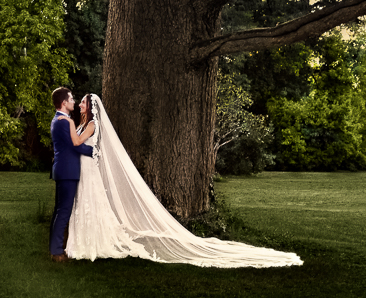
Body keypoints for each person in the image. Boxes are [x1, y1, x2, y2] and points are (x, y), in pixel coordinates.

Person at [63, 93, 302, 267]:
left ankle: (94, 242)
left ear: (91, 107)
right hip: (84, 169)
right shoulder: (84, 123)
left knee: (91, 202)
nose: (80, 105)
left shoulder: (91, 124)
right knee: (86, 203)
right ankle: (85, 240)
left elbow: (77, 142)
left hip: (89, 171)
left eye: (83, 102)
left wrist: (69, 125)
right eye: (80, 102)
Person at [49, 87, 94, 262]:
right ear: (63, 103)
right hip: (67, 171)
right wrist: (96, 152)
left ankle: (54, 248)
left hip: (63, 170)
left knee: (59, 210)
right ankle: (57, 252)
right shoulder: (62, 122)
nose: (74, 101)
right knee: (63, 211)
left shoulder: (61, 120)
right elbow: (76, 145)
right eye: (71, 99)